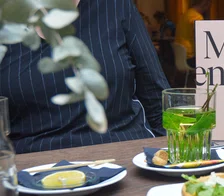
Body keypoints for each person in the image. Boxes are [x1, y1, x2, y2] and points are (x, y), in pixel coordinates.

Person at [0, 0, 169, 154]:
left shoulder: (117, 7)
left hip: (124, 157)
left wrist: (170, 164)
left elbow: (157, 100)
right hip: (31, 172)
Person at [174, 0, 212, 68]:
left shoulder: (185, 14)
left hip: (182, 57)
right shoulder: (197, 17)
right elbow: (202, 39)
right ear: (205, 3)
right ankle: (208, 78)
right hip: (190, 57)